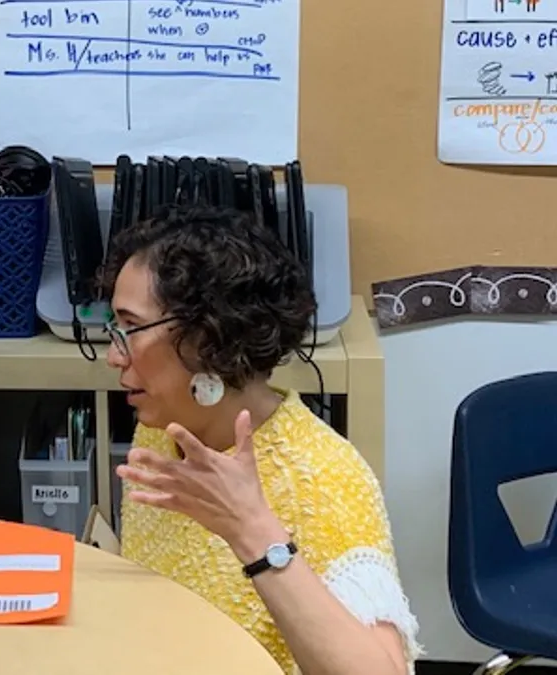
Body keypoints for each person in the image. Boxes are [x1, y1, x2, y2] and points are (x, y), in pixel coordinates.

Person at [102, 206, 420, 675]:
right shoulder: (161, 426)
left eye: (131, 328)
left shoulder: (321, 477)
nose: (113, 355)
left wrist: (251, 529)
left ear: (207, 337)